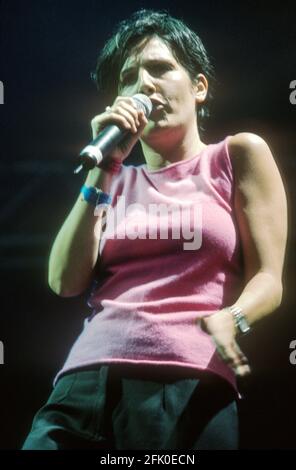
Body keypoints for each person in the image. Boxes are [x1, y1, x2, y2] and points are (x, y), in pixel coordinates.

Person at [22, 9, 287, 450]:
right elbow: (63, 281)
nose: (144, 84)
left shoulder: (236, 156)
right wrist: (103, 170)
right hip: (83, 383)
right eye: (129, 78)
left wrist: (232, 319)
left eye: (161, 69)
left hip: (185, 381)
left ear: (199, 87)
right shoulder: (114, 179)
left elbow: (270, 278)